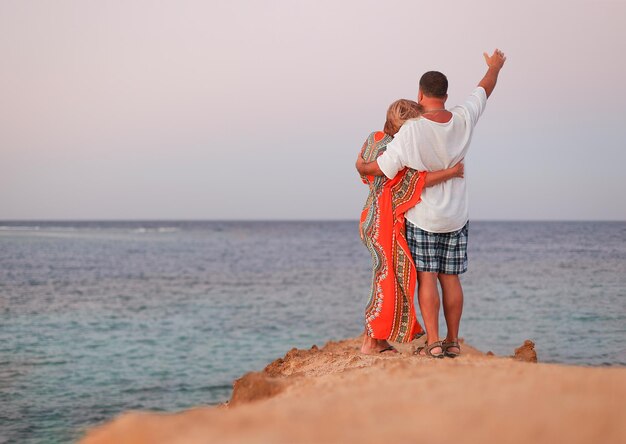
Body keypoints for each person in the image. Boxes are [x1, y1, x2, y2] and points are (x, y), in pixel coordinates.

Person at [356, 49, 507, 358]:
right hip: (457, 216)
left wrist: (361, 166)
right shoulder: (464, 117)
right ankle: (453, 341)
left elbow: (384, 168)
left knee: (427, 278)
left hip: (423, 217)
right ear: (446, 94)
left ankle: (434, 343)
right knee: (450, 279)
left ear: (420, 93)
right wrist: (494, 66)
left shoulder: (411, 130)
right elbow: (485, 88)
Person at [358, 99, 464, 355]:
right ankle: (371, 342)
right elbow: (416, 181)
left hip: (371, 216)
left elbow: (363, 169)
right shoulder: (399, 148)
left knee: (384, 277)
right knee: (387, 280)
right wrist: (452, 172)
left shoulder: (374, 139)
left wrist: (361, 165)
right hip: (386, 222)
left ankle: (378, 339)